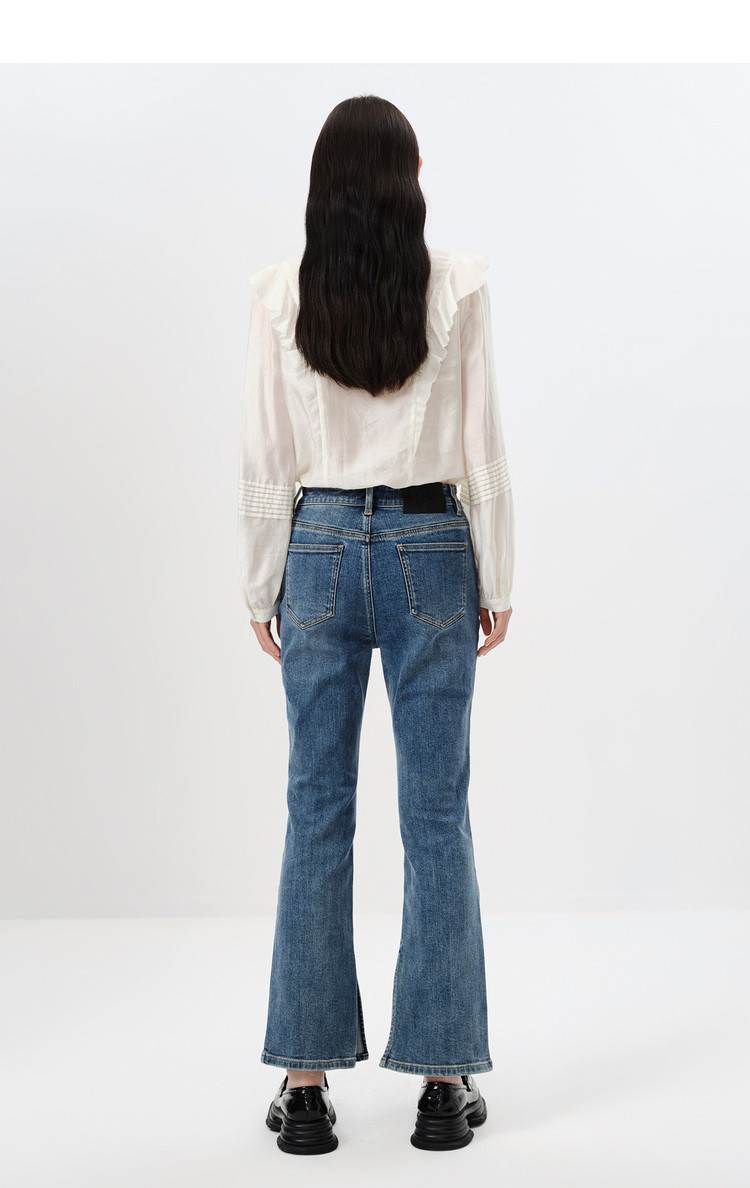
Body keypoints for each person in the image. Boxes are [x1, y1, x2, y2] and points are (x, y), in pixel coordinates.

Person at [237, 94, 515, 1155]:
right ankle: (442, 1082)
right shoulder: (459, 286)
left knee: (316, 808)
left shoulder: (280, 293)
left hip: (315, 549)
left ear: (324, 184)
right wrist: (499, 570)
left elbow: (267, 452)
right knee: (436, 813)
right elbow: (481, 439)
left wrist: (259, 582)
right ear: (412, 175)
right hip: (430, 543)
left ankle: (305, 1087)